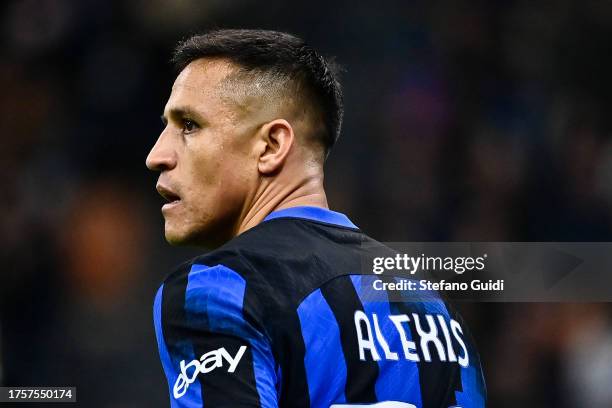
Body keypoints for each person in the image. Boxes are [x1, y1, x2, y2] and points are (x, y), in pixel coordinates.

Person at [146, 29, 486, 408]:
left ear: (272, 146)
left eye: (189, 125)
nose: (157, 155)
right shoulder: (436, 311)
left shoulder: (220, 289)